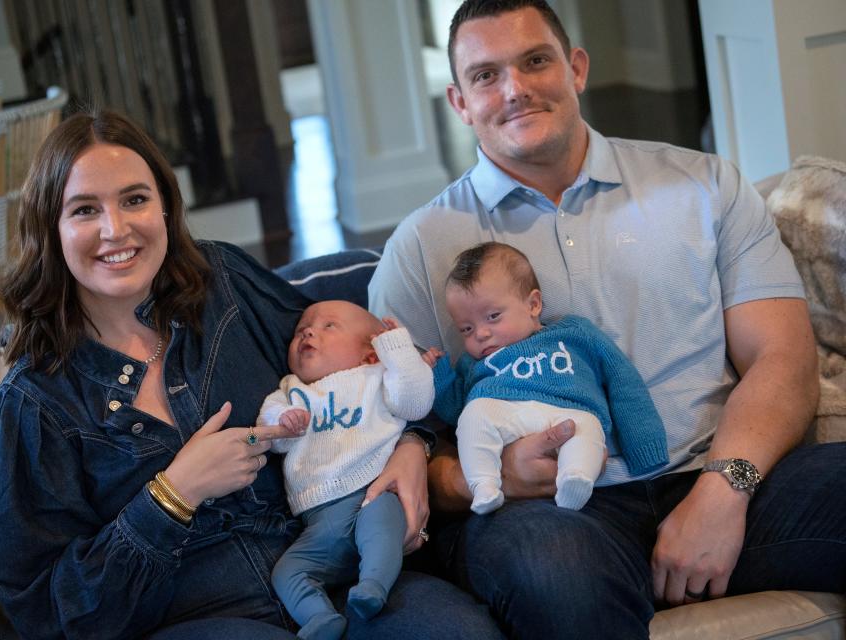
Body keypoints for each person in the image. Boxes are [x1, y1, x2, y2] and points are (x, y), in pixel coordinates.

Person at [368, 1, 846, 638]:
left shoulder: (703, 184)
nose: (515, 89)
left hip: (719, 471)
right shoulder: (419, 247)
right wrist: (488, 476)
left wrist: (725, 488)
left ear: (576, 67)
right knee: (554, 573)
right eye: (486, 75)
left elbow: (783, 357)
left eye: (536, 60)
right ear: (459, 101)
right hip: (551, 513)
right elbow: (393, 439)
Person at [0, 109, 503, 640]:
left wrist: (411, 445)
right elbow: (44, 612)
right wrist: (173, 494)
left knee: (463, 631)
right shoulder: (34, 401)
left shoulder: (224, 285)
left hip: (334, 573)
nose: (115, 229)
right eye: (84, 209)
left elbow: (353, 364)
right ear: (52, 229)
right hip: (198, 619)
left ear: (165, 207)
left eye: (135, 199)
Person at [426, 242, 667, 513]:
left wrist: (645, 447)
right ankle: (483, 485)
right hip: (506, 416)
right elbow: (453, 411)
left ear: (533, 304)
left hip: (570, 413)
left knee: (588, 427)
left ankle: (575, 478)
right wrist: (439, 375)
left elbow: (624, 382)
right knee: (473, 415)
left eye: (493, 316)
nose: (481, 334)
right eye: (466, 328)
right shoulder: (474, 364)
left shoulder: (574, 333)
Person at [258, 301, 434, 639]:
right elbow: (269, 433)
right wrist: (281, 422)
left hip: (373, 494)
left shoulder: (379, 377)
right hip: (318, 521)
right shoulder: (290, 390)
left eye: (329, 326)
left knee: (381, 529)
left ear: (370, 352)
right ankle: (320, 617)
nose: (308, 331)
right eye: (301, 329)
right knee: (287, 572)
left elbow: (416, 403)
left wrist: (397, 352)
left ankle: (372, 587)